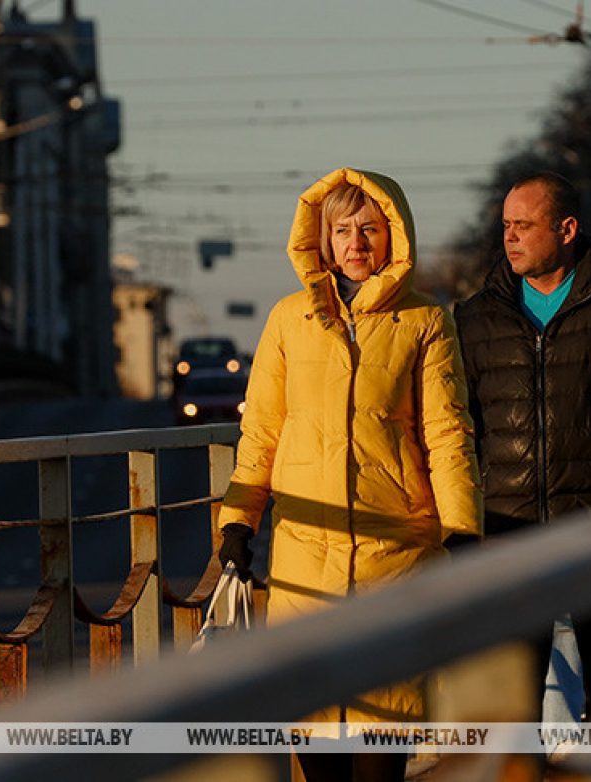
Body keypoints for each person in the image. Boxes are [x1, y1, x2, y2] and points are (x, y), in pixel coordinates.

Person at [216, 168, 482, 782]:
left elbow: (447, 436)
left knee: (380, 752)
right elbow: (260, 432)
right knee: (315, 745)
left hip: (399, 556)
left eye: (370, 229)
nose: (356, 244)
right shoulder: (288, 319)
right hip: (306, 561)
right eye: (342, 230)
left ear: (394, 235)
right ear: (322, 239)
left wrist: (462, 530)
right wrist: (238, 522)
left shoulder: (425, 321)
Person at [455, 171, 591, 721]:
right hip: (509, 535)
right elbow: (459, 431)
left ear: (566, 228)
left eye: (524, 225)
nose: (509, 237)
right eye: (506, 225)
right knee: (510, 709)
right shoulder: (474, 319)